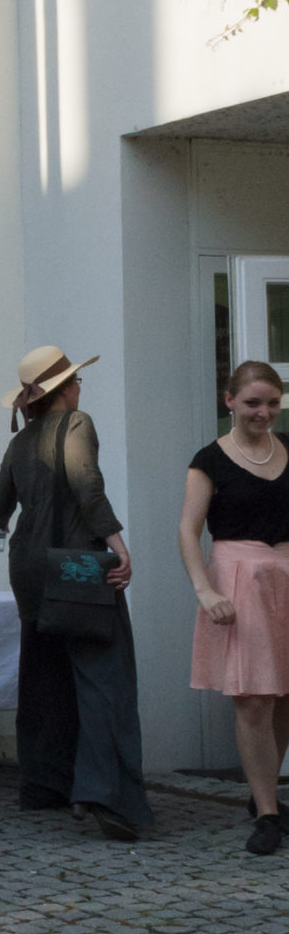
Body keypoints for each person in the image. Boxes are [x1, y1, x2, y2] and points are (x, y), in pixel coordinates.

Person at [0, 345, 148, 843]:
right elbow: (86, 482)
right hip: (76, 566)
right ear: (66, 389)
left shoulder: (19, 443)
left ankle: (45, 784)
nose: (81, 389)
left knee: (43, 674)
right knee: (104, 677)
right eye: (77, 382)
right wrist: (118, 544)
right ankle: (106, 797)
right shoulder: (77, 424)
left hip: (29, 568)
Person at [179, 359, 289, 856]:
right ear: (229, 401)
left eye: (272, 403)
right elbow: (188, 529)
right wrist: (204, 590)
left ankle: (261, 793)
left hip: (287, 575)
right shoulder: (209, 459)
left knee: (285, 696)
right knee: (254, 697)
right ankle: (268, 813)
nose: (263, 412)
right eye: (252, 403)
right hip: (239, 580)